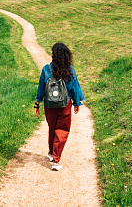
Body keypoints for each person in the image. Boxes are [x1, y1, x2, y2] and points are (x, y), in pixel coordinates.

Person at [34, 42, 84, 171]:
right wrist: (76, 103)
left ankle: (51, 153)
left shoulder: (46, 69)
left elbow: (41, 88)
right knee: (61, 131)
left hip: (49, 105)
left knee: (52, 128)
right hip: (64, 105)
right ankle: (56, 161)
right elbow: (74, 87)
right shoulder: (70, 70)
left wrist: (37, 103)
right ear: (67, 55)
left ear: (54, 55)